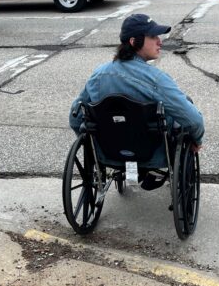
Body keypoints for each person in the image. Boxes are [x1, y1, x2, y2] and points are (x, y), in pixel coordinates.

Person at [69, 13, 204, 189]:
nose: (160, 41)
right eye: (153, 37)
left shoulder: (98, 75)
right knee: (185, 105)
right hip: (154, 155)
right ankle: (153, 171)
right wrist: (197, 140)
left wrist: (95, 147)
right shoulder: (156, 79)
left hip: (108, 154)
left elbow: (75, 119)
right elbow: (193, 120)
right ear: (134, 42)